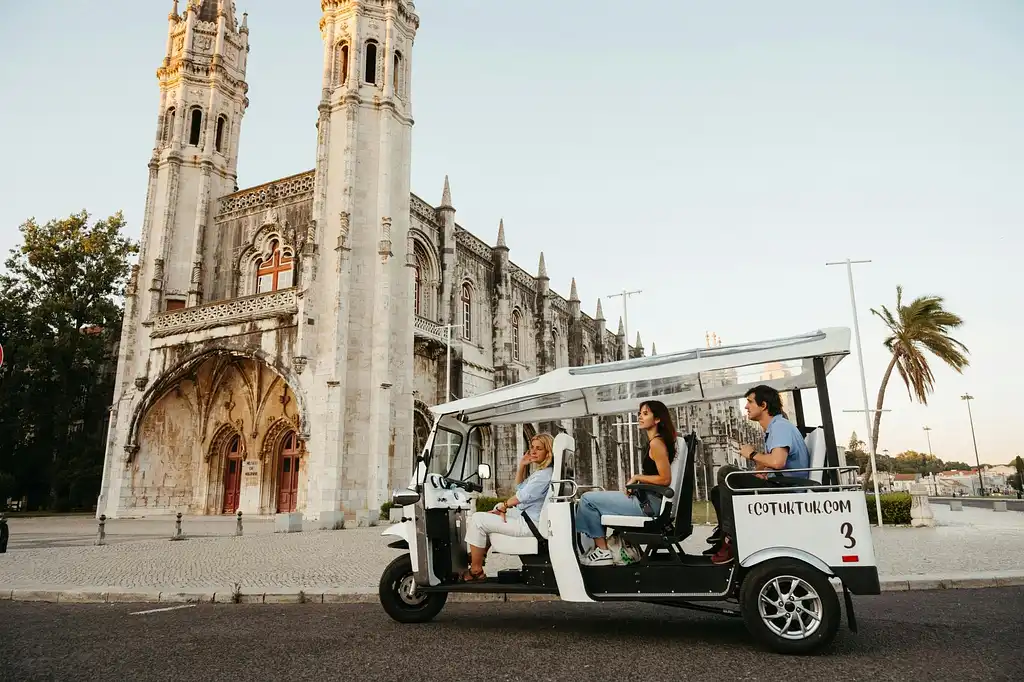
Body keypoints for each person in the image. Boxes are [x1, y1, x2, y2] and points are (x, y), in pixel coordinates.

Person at [709, 385, 814, 565]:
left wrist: (751, 454)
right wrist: (760, 467)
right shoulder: (775, 429)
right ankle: (724, 535)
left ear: (763, 405)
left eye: (750, 402)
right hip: (781, 485)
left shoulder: (780, 427)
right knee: (718, 491)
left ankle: (731, 539)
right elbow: (772, 464)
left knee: (726, 472)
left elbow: (778, 462)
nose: (746, 407)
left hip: (786, 491)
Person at [575, 400, 677, 566]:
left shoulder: (656, 443)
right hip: (649, 501)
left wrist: (638, 477)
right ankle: (601, 548)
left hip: (648, 506)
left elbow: (665, 479)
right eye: (640, 413)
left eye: (645, 414)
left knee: (587, 500)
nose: (640, 417)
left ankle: (603, 551)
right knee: (594, 500)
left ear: (657, 419)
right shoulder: (656, 442)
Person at [461, 433, 555, 582]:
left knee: (478, 519)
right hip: (528, 519)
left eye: (539, 448)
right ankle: (479, 555)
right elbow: (520, 489)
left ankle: (476, 569)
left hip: (529, 524)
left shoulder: (543, 475)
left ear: (548, 452)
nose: (533, 451)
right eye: (532, 448)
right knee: (492, 513)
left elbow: (520, 497)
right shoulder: (544, 472)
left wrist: (504, 506)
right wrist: (522, 466)